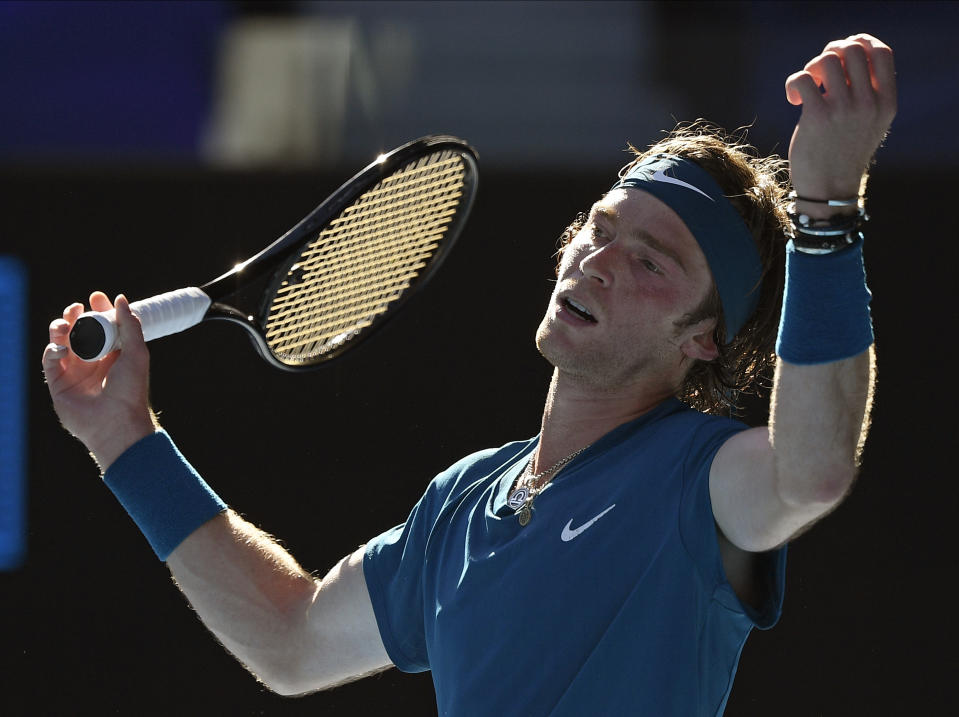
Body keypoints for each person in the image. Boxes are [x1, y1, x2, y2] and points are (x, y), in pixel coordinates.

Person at [42, 34, 896, 716]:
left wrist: (825, 210)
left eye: (650, 262)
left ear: (701, 340)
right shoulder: (458, 503)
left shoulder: (699, 481)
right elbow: (290, 639)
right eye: (599, 230)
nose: (597, 263)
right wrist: (126, 438)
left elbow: (812, 468)